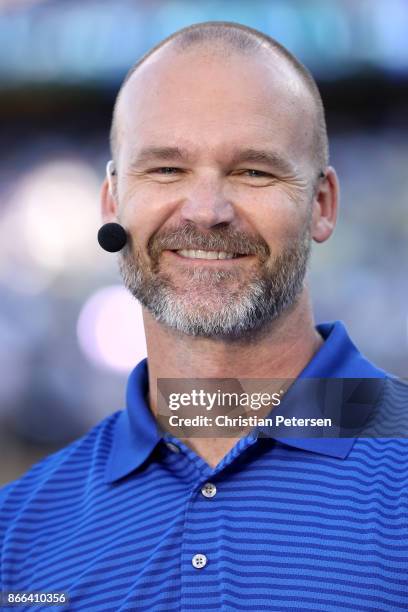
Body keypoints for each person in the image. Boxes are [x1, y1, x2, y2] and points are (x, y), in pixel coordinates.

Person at [1, 21, 407, 611]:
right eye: (166, 169)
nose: (207, 211)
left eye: (253, 171)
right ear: (113, 202)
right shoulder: (18, 533)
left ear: (322, 205)